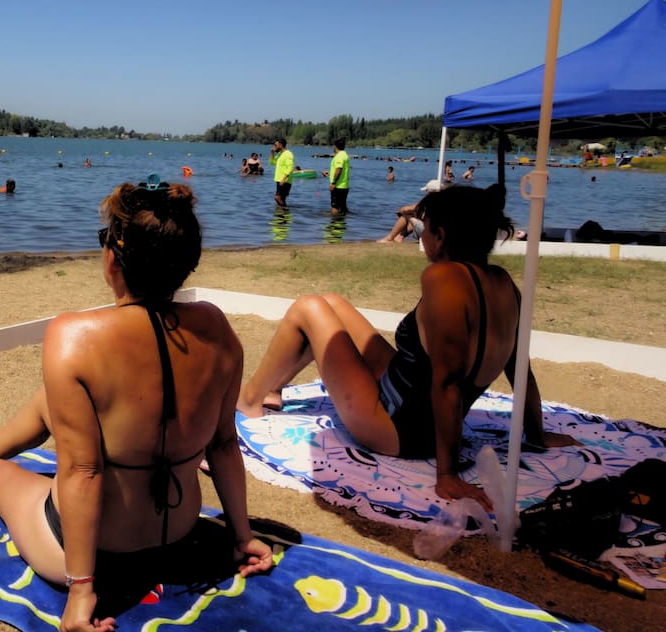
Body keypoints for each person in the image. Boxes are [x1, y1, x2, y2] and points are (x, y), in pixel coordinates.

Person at [0, 179, 275, 631]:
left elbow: (84, 472)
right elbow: (221, 444)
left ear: (113, 259)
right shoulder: (216, 329)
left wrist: (82, 590)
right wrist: (242, 537)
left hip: (91, 554)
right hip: (177, 535)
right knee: (54, 404)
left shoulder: (74, 336)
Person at [239, 185, 578, 508]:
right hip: (410, 398)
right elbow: (521, 369)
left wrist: (446, 474)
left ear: (441, 236)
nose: (422, 236)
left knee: (308, 308)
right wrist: (537, 433)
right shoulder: (504, 284)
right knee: (332, 304)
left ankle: (250, 399)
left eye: (425, 230)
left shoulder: (443, 280)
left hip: (396, 427)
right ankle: (274, 389)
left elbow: (446, 382)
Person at [324, 138, 350, 214]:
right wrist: (329, 174)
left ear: (335, 146)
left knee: (335, 206)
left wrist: (333, 183)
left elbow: (339, 170)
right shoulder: (345, 155)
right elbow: (341, 171)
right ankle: (342, 223)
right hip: (344, 186)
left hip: (338, 186)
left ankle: (334, 223)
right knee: (342, 206)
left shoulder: (339, 156)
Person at [269, 138, 294, 207]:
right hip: (279, 179)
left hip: (285, 180)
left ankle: (285, 211)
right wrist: (272, 153)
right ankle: (282, 215)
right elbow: (272, 162)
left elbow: (290, 167)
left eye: (275, 145)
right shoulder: (280, 154)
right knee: (281, 199)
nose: (274, 147)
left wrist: (284, 179)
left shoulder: (288, 154)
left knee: (277, 198)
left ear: (280, 145)